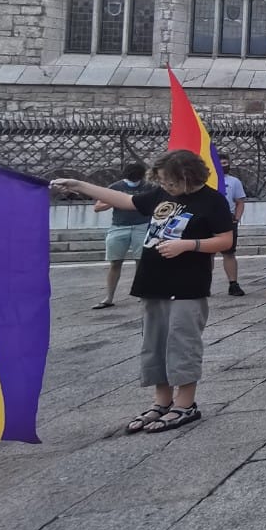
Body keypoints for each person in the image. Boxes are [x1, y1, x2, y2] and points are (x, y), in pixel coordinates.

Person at [52, 151, 235, 433]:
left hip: (187, 285)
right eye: (161, 181)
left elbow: (225, 240)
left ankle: (185, 404)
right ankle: (161, 402)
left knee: (182, 344)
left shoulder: (213, 201)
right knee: (155, 344)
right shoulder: (160, 195)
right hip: (153, 281)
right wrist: (79, 185)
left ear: (187, 177)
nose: (165, 186)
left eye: (169, 181)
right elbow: (125, 201)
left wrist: (187, 246)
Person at [91, 161, 154, 310]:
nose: (135, 181)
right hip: (119, 226)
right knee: (115, 262)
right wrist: (116, 200)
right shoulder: (116, 187)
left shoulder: (148, 186)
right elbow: (98, 207)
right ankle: (109, 296)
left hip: (142, 225)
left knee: (141, 261)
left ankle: (141, 293)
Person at [218, 157, 247, 297]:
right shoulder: (207, 180)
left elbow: (239, 201)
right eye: (222, 163)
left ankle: (233, 283)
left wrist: (236, 218)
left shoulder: (234, 182)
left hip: (227, 217)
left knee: (229, 252)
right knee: (207, 253)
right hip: (208, 217)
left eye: (226, 163)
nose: (225, 165)